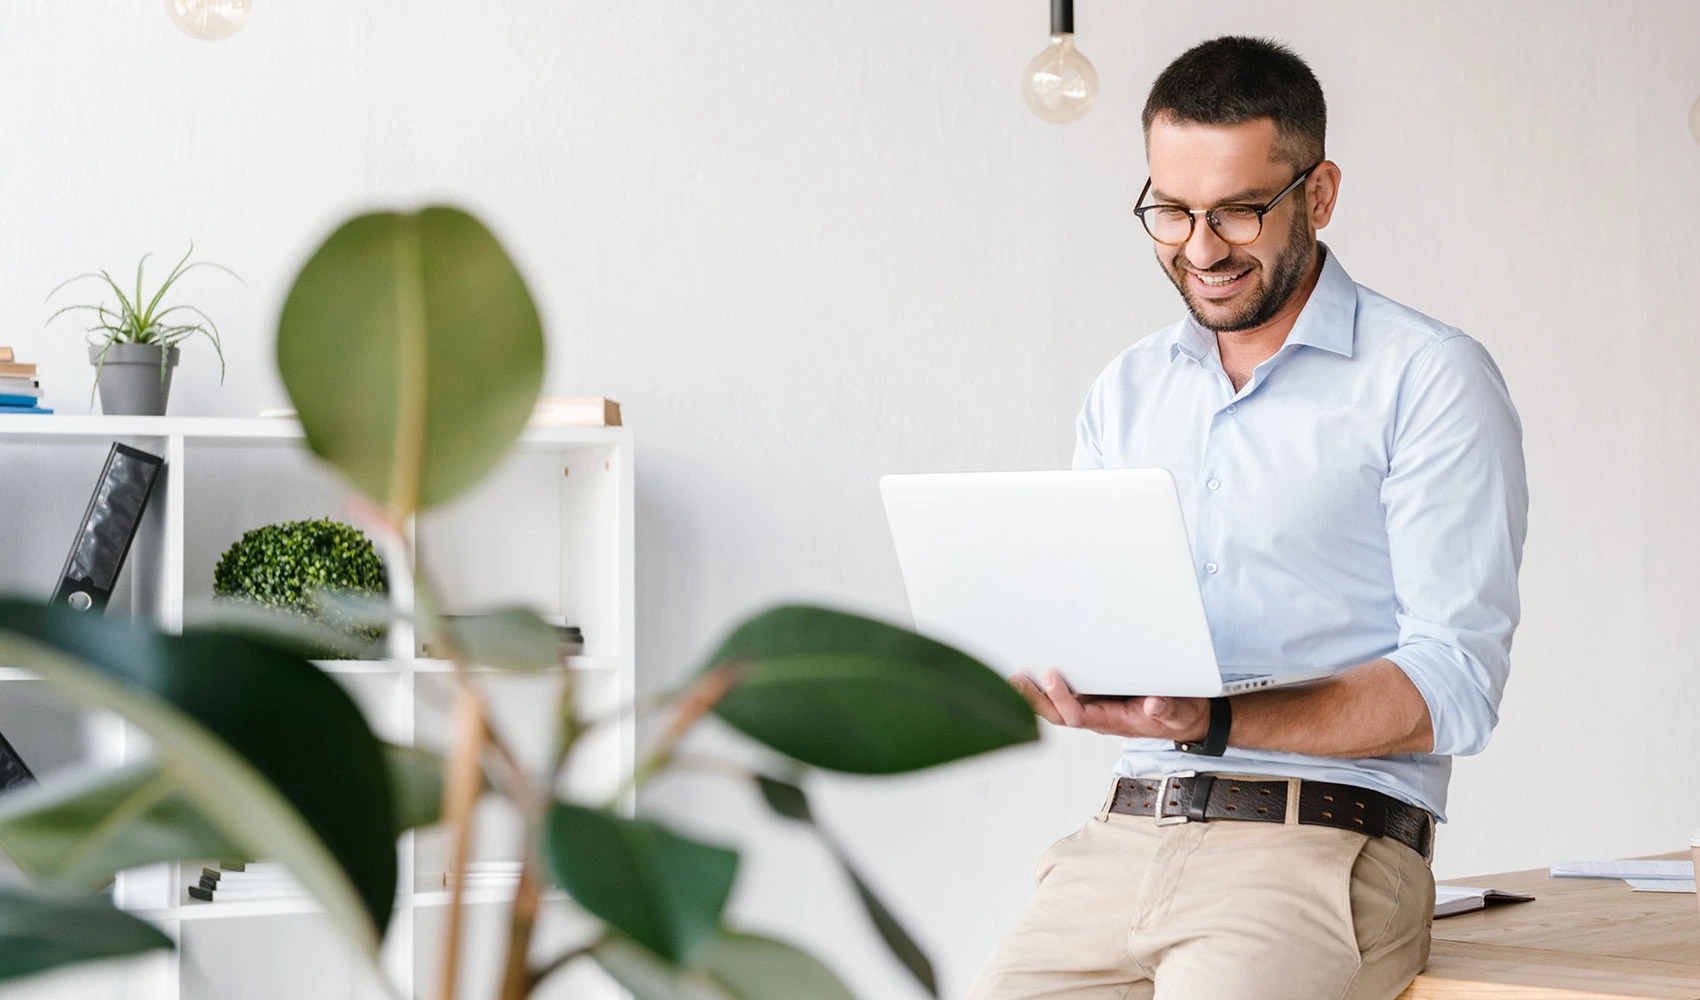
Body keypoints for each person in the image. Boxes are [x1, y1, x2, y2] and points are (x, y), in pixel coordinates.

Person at [974, 36, 1528, 1000]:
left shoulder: (1428, 378)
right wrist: (1051, 668)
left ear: (1318, 196)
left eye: (1235, 210)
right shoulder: (1129, 389)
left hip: (1319, 847)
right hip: (1117, 842)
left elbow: (1456, 682)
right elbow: (1100, 622)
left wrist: (1220, 719)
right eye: (1171, 211)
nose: (1199, 247)